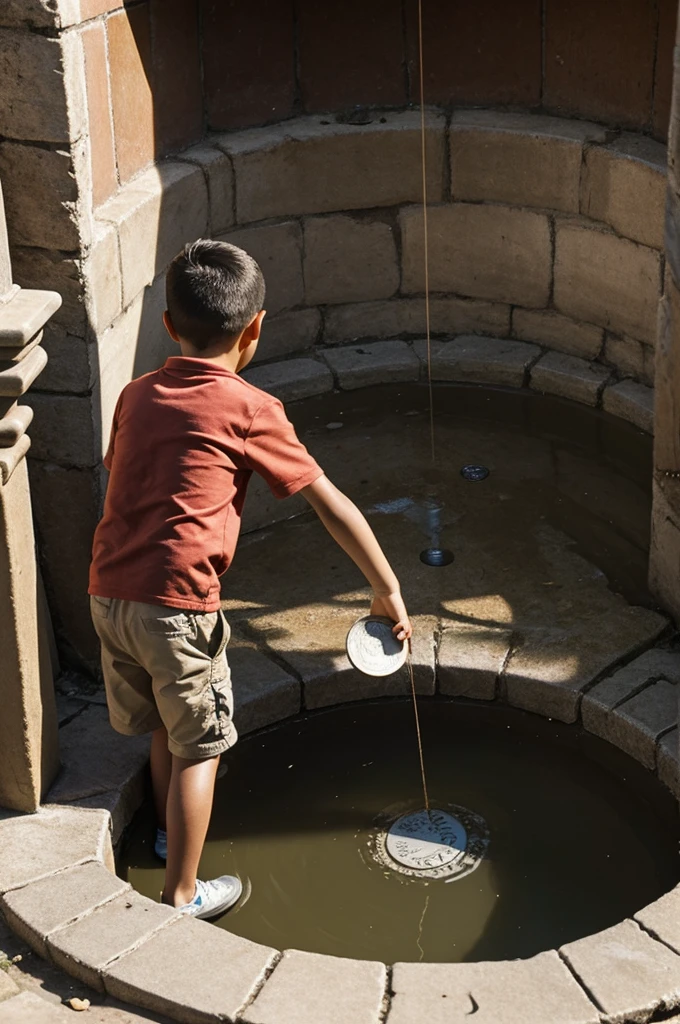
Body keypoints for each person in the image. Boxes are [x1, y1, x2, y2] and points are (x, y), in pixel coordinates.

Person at [88, 239, 412, 921]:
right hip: (178, 606)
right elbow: (330, 503)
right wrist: (385, 587)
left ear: (169, 326)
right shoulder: (250, 408)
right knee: (202, 745)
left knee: (162, 728)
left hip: (108, 593)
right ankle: (182, 892)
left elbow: (127, 477)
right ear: (256, 327)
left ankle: (164, 834)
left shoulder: (136, 395)